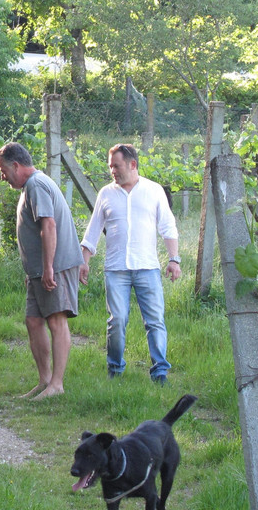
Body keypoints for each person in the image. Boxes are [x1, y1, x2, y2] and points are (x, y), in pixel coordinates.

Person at [81, 143, 181, 383]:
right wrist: (84, 261)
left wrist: (174, 260)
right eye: (110, 167)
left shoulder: (154, 191)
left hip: (147, 267)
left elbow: (168, 227)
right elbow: (93, 231)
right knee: (117, 321)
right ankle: (115, 369)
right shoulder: (106, 193)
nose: (112, 171)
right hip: (116, 270)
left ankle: (160, 372)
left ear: (132, 164)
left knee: (155, 321)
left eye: (116, 166)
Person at [0, 142, 86, 400]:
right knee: (33, 321)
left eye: (2, 170)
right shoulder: (30, 186)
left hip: (54, 267)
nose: (2, 176)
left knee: (56, 320)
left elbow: (49, 226)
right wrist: (34, 270)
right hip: (38, 271)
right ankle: (44, 380)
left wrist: (47, 268)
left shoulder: (36, 184)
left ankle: (57, 384)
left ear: (16, 165)